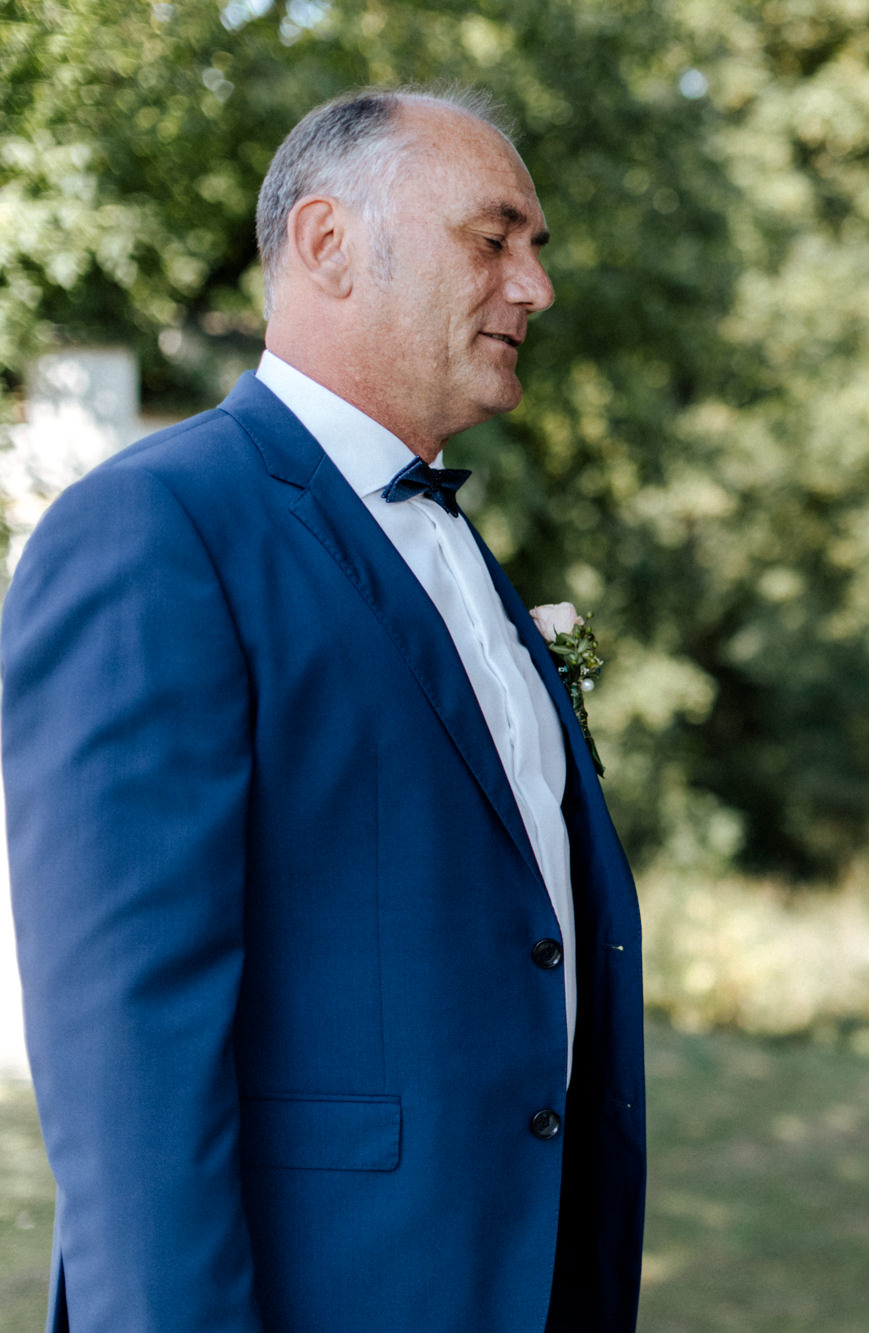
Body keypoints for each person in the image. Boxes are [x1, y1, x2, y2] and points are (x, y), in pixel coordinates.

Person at [2, 88, 645, 1332]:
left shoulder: (451, 545)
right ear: (328, 242)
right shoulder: (156, 527)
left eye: (535, 249)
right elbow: (127, 1047)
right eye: (494, 239)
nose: (535, 287)